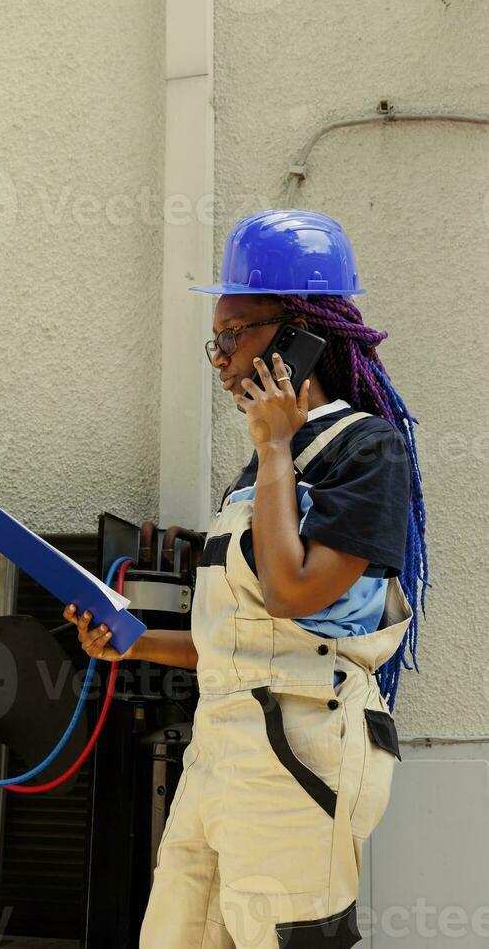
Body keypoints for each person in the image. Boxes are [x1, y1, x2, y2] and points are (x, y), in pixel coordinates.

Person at [65, 209, 429, 948]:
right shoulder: (258, 476)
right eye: (218, 339)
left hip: (300, 740)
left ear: (303, 333)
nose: (223, 358)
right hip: (222, 744)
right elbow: (237, 643)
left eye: (238, 333)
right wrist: (130, 645)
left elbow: (296, 595)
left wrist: (273, 451)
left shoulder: (364, 450)